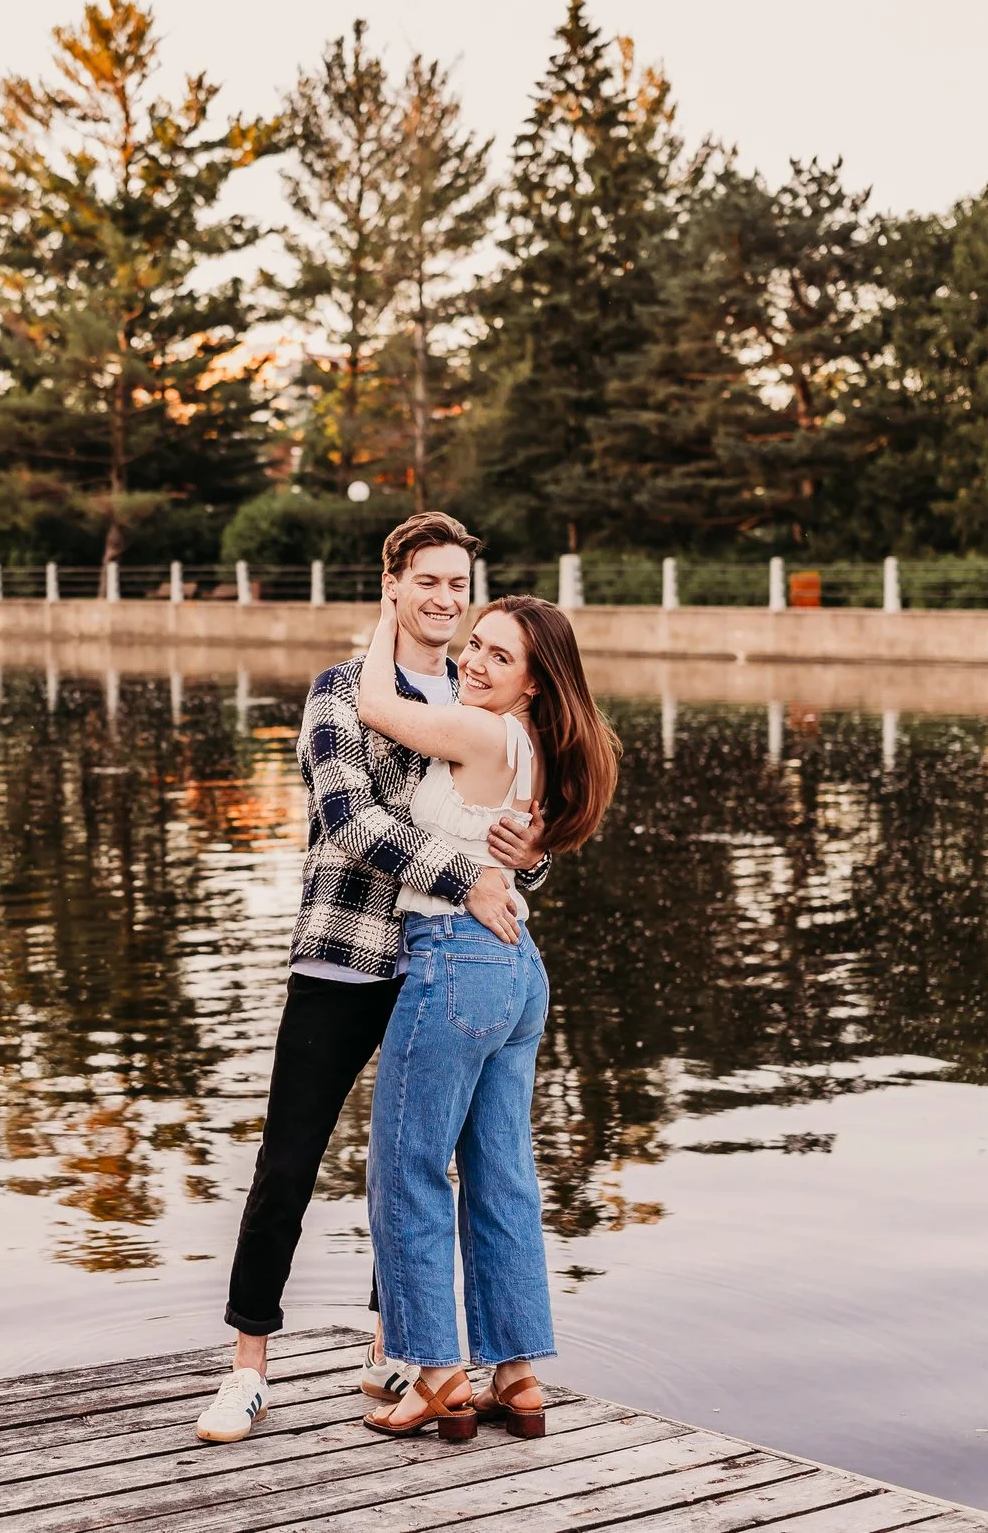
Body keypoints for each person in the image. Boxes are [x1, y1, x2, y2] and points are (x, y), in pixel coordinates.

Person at [195, 513, 550, 1446]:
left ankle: (401, 1347)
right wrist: (465, 873)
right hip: (345, 956)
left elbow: (509, 829)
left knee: (419, 1162)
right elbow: (349, 820)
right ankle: (247, 1366)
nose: (444, 599)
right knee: (289, 1161)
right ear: (390, 584)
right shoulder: (339, 691)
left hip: (440, 963)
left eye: (457, 584)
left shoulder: (482, 694)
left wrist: (527, 859)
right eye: (427, 580)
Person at [352, 593, 618, 1441]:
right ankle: (517, 1372)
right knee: (500, 1174)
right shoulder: (530, 746)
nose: (474, 661)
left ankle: (437, 1372)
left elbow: (373, 704)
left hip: (452, 958)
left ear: (535, 683)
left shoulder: (483, 732)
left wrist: (392, 607)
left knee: (407, 1169)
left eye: (500, 656)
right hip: (514, 971)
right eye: (476, 645)